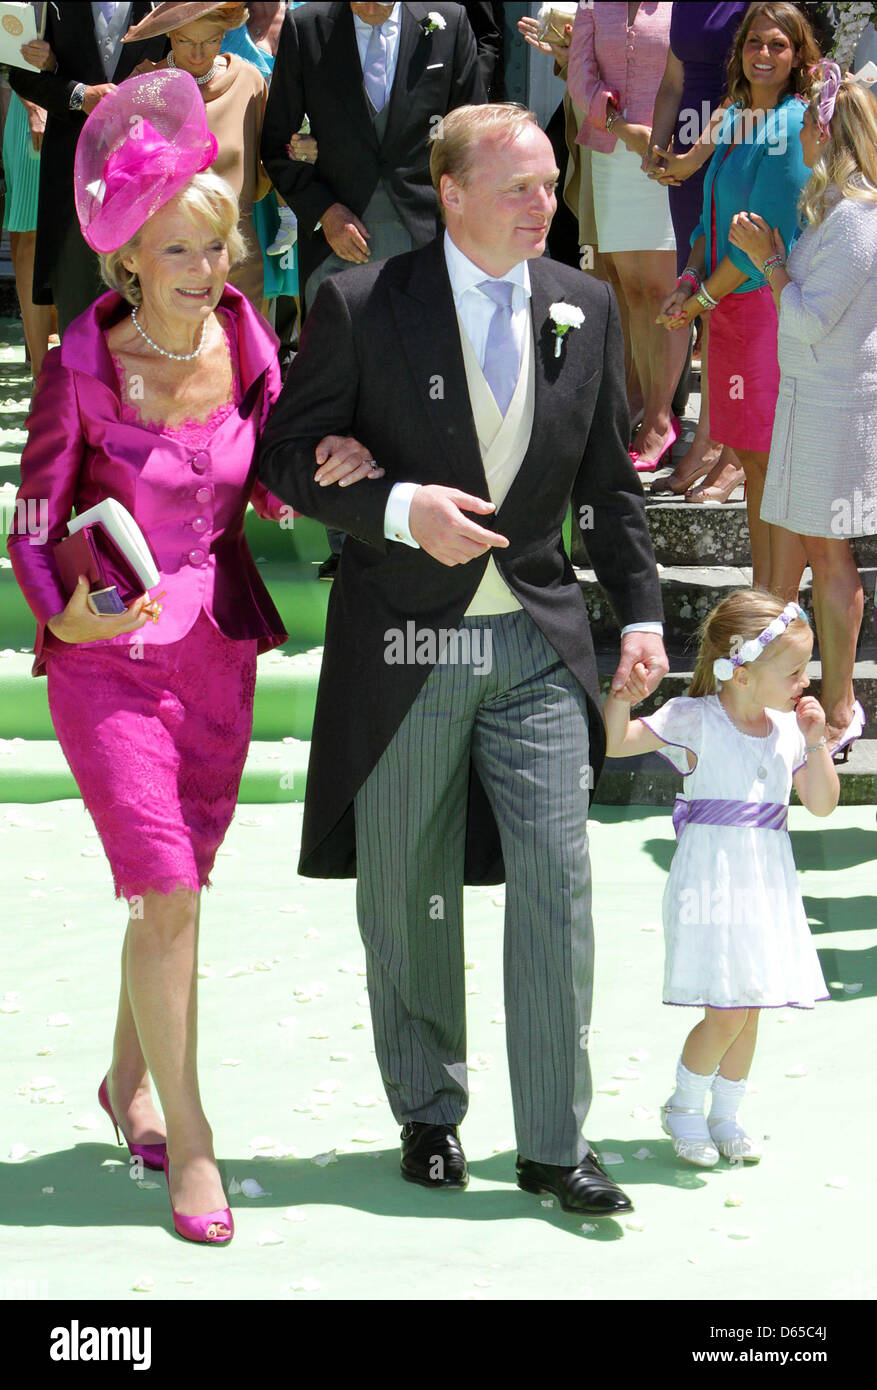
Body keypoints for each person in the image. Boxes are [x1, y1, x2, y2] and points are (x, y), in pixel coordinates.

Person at [257, 103, 669, 1217]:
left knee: (558, 884)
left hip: (538, 641)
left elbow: (610, 490)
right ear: (450, 192)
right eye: (521, 187)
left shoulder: (581, 306)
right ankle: (428, 1113)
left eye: (550, 185)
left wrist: (639, 616)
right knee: (407, 898)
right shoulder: (356, 302)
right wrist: (396, 505)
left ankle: (552, 1143)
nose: (547, 205)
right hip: (403, 648)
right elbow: (286, 459)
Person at [5, 70, 380, 1246]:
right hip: (106, 663)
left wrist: (328, 469)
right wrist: (56, 613)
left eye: (214, 248)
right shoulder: (81, 361)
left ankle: (124, 1085)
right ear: (125, 260)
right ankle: (191, 1135)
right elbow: (30, 513)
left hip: (215, 654)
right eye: (177, 250)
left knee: (172, 894)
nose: (203, 270)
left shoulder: (248, 338)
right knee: (165, 888)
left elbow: (275, 452)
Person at [604, 589, 837, 1166]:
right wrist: (619, 697)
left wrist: (816, 742)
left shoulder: (787, 730)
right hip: (712, 884)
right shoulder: (696, 719)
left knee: (752, 1003)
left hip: (765, 883)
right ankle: (684, 1106)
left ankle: (726, 1113)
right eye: (792, 671)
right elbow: (614, 742)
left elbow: (823, 804)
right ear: (740, 670)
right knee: (727, 1008)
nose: (803, 683)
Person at [262, 1, 486, 579]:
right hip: (337, 247)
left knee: (427, 385)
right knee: (337, 392)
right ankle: (347, 534)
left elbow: (474, 139)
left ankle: (428, 522)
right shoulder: (308, 28)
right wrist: (323, 213)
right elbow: (279, 143)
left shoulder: (449, 23)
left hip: (429, 241)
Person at [728, 62, 877, 760]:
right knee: (794, 557)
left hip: (836, 413)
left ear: (827, 129)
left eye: (809, 127)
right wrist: (779, 259)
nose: (801, 143)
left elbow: (812, 319)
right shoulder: (836, 213)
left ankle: (842, 710)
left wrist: (768, 263)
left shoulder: (857, 216)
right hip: (808, 405)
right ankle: (776, 700)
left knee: (829, 554)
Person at [656, 2, 819, 590]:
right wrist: (688, 282)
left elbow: (763, 237)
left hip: (767, 314)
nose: (764, 54)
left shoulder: (797, 125)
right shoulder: (739, 119)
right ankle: (764, 602)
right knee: (754, 466)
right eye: (755, 43)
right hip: (727, 313)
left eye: (779, 44)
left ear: (798, 56)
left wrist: (700, 300)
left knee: (772, 470)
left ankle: (777, 612)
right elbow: (707, 220)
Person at [566, 1, 688, 472]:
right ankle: (641, 410)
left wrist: (665, 140)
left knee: (667, 291)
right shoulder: (592, 5)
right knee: (633, 292)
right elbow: (581, 78)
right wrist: (621, 128)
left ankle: (660, 418)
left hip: (672, 152)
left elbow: (697, 74)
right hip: (613, 154)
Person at [7, 2, 168, 334]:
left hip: (146, 183)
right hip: (72, 181)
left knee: (146, 318)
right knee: (78, 318)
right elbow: (21, 74)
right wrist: (79, 95)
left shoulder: (163, 4)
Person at [644, 1, 747, 502]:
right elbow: (671, 81)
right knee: (701, 286)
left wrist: (695, 156)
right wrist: (658, 146)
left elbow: (745, 89)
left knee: (733, 296)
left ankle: (730, 449)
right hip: (687, 153)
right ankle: (708, 439)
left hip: (737, 143)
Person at [121, 2, 273, 313]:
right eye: (186, 41)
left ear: (225, 35)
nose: (198, 54)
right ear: (170, 35)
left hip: (236, 253)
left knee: (237, 353)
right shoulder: (143, 85)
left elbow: (265, 174)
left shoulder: (249, 82)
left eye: (211, 40)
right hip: (167, 257)